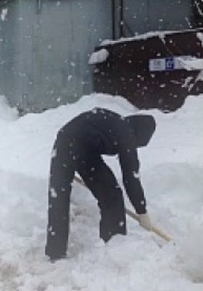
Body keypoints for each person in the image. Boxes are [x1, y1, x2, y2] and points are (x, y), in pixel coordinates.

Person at [45, 108, 157, 261]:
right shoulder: (127, 134)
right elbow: (131, 177)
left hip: (63, 141)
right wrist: (142, 211)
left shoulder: (118, 122)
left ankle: (55, 251)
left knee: (58, 197)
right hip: (82, 148)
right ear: (140, 135)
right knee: (112, 196)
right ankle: (115, 245)